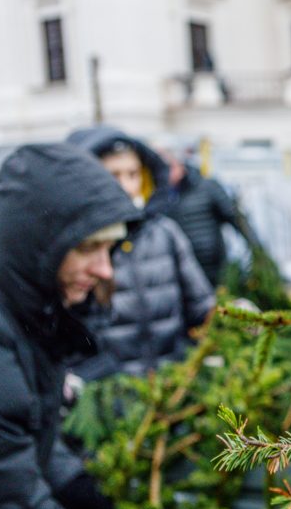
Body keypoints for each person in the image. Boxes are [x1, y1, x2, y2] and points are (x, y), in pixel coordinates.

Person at [0, 143, 162, 509]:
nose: (103, 268)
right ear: (35, 240)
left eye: (109, 248)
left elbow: (22, 427)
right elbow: (6, 506)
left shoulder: (24, 319)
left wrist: (73, 483)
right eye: (86, 247)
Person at [66, 126, 215, 380]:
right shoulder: (75, 245)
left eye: (133, 174)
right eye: (113, 175)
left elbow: (200, 306)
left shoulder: (164, 233)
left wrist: (231, 315)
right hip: (109, 395)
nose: (125, 185)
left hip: (172, 387)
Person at [152, 138, 262, 286]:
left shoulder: (207, 187)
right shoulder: (158, 195)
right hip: (176, 273)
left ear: (179, 164)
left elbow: (236, 219)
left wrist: (258, 252)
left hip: (212, 271)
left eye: (167, 167)